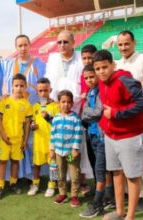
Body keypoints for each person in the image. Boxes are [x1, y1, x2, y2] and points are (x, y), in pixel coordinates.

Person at [93, 50, 143, 220]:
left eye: (105, 67)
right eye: (97, 68)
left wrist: (117, 114)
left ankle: (129, 217)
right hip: (111, 136)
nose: (101, 71)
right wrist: (105, 124)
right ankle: (119, 212)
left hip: (129, 136)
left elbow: (142, 103)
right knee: (116, 172)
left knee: (132, 176)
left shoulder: (124, 79)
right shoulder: (102, 82)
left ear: (113, 65)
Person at [46, 30, 94, 192]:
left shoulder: (81, 58)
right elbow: (49, 81)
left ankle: (81, 182)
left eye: (65, 42)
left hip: (78, 108)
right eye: (59, 42)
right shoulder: (52, 59)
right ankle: (60, 183)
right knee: (59, 145)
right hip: (58, 109)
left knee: (79, 147)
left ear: (73, 42)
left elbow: (87, 79)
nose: (62, 45)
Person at [116, 30, 143, 211]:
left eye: (126, 43)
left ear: (134, 43)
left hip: (142, 117)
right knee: (126, 157)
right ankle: (128, 191)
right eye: (120, 44)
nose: (123, 47)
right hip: (125, 120)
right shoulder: (117, 65)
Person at [0, 34, 46, 181]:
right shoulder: (9, 64)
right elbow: (3, 85)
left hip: (32, 109)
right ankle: (16, 176)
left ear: (30, 45)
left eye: (25, 45)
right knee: (15, 144)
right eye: (20, 45)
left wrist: (43, 107)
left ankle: (32, 175)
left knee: (30, 143)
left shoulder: (39, 64)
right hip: (13, 112)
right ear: (16, 47)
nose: (23, 48)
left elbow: (44, 86)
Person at [79, 64, 114, 218]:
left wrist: (86, 114)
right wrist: (88, 113)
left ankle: (97, 203)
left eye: (91, 76)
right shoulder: (91, 91)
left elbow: (98, 111)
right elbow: (89, 112)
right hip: (93, 134)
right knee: (104, 169)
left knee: (100, 170)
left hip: (102, 136)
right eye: (86, 78)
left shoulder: (101, 89)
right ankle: (109, 197)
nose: (89, 80)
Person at [0, 74, 32, 200]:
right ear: (12, 87)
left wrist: (25, 140)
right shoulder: (4, 101)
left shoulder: (26, 104)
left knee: (15, 161)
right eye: (16, 85)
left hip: (18, 139)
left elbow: (27, 124)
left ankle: (13, 183)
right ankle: (0, 186)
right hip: (5, 139)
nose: (19, 88)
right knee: (2, 161)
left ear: (25, 87)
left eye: (22, 86)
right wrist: (3, 135)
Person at [50, 90, 83, 208]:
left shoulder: (75, 118)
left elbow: (78, 134)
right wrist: (52, 150)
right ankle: (62, 194)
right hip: (59, 152)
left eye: (68, 102)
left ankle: (74, 196)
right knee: (61, 174)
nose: (66, 104)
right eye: (63, 102)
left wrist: (75, 149)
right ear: (58, 103)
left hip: (70, 153)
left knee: (74, 174)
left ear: (72, 103)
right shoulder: (56, 118)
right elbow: (53, 135)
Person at [27, 78, 59, 197]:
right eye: (40, 91)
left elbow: (58, 123)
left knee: (53, 165)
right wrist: (32, 126)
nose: (43, 93)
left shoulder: (56, 106)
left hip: (51, 143)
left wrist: (48, 117)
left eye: (46, 90)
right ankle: (35, 184)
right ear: (37, 92)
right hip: (38, 142)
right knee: (37, 164)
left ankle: (52, 185)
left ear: (50, 90)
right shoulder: (35, 107)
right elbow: (32, 123)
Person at [79, 44, 98, 195]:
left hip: (99, 124)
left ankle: (104, 190)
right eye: (84, 58)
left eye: (89, 57)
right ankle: (99, 187)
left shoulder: (101, 76)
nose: (87, 60)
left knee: (102, 159)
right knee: (92, 155)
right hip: (88, 122)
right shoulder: (83, 73)